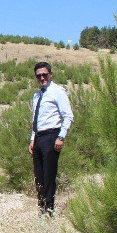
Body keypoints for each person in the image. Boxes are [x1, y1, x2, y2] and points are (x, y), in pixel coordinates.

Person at [28, 62, 73, 216]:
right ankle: (42, 208)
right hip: (39, 138)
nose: (42, 78)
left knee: (49, 175)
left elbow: (68, 116)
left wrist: (61, 137)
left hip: (52, 136)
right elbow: (36, 119)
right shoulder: (37, 95)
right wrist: (33, 139)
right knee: (38, 176)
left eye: (44, 74)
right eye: (39, 75)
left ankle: (49, 210)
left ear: (50, 74)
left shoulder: (57, 92)